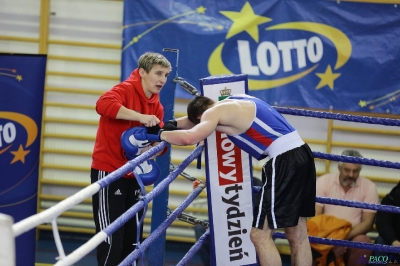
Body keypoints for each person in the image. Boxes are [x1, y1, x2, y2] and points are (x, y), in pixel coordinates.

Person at [140, 94, 317, 266]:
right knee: (298, 235)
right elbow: (196, 119)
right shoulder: (235, 100)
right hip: (303, 154)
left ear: (201, 116)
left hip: (285, 161)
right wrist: (174, 124)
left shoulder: (211, 114)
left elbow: (190, 137)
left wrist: (160, 134)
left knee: (259, 235)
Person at [90, 52, 171, 265]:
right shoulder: (124, 89)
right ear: (143, 73)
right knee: (111, 238)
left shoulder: (157, 105)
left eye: (166, 75)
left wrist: (153, 149)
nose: (162, 79)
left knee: (132, 239)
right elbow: (102, 104)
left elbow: (159, 145)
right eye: (158, 73)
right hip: (110, 171)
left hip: (135, 174)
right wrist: (139, 116)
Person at [315, 149, 379, 266]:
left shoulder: (369, 187)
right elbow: (315, 217)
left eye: (355, 171)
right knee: (309, 236)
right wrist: (332, 241)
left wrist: (342, 239)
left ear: (360, 170)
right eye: (347, 170)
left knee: (363, 243)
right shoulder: (323, 181)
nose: (351, 175)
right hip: (326, 233)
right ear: (339, 168)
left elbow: (367, 223)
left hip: (351, 236)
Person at [193, 176, 264, 266]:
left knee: (262, 235)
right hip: (227, 220)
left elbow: (260, 209)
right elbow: (218, 206)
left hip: (249, 222)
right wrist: (203, 186)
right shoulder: (223, 181)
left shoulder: (256, 183)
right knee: (200, 229)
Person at [373, 181, 400, 264]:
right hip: (394, 244)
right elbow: (382, 223)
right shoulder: (390, 199)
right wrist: (394, 241)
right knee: (380, 242)